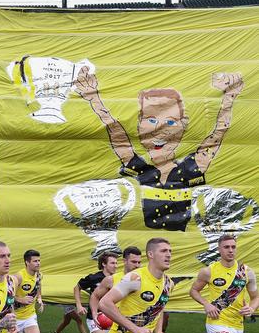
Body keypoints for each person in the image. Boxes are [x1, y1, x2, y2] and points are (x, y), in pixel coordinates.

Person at [75, 67, 244, 231]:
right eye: (151, 120)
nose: (159, 130)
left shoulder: (190, 168)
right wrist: (94, 99)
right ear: (139, 125)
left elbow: (218, 134)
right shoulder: (141, 170)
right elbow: (117, 135)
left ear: (184, 127)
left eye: (170, 122)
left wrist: (229, 98)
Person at [99, 238, 173, 333]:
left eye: (170, 251)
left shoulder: (169, 283)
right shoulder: (135, 278)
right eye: (163, 251)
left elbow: (159, 308)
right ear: (151, 254)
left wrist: (158, 332)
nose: (168, 255)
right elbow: (104, 303)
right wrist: (135, 329)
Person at [189, 234, 258, 333]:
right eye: (226, 247)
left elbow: (256, 297)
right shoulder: (208, 271)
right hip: (217, 322)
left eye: (233, 247)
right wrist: (206, 304)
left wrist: (251, 309)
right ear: (219, 250)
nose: (230, 250)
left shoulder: (247, 272)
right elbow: (193, 291)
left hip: (237, 324)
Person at [90, 246, 143, 333]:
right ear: (124, 261)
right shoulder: (111, 279)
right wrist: (95, 313)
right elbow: (95, 296)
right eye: (133, 262)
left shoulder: (143, 280)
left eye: (139, 262)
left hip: (128, 326)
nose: (137, 266)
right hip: (108, 322)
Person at [75, 252, 119, 333]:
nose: (115, 266)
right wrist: (79, 305)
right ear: (104, 264)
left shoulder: (117, 278)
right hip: (94, 319)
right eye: (112, 263)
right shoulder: (93, 278)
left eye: (116, 263)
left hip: (111, 319)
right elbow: (77, 287)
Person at [8, 249, 44, 333]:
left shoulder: (38, 275)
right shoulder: (18, 277)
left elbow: (38, 286)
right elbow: (7, 296)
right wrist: (20, 299)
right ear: (27, 262)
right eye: (35, 261)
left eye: (39, 260)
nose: (38, 263)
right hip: (14, 318)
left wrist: (40, 298)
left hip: (29, 317)